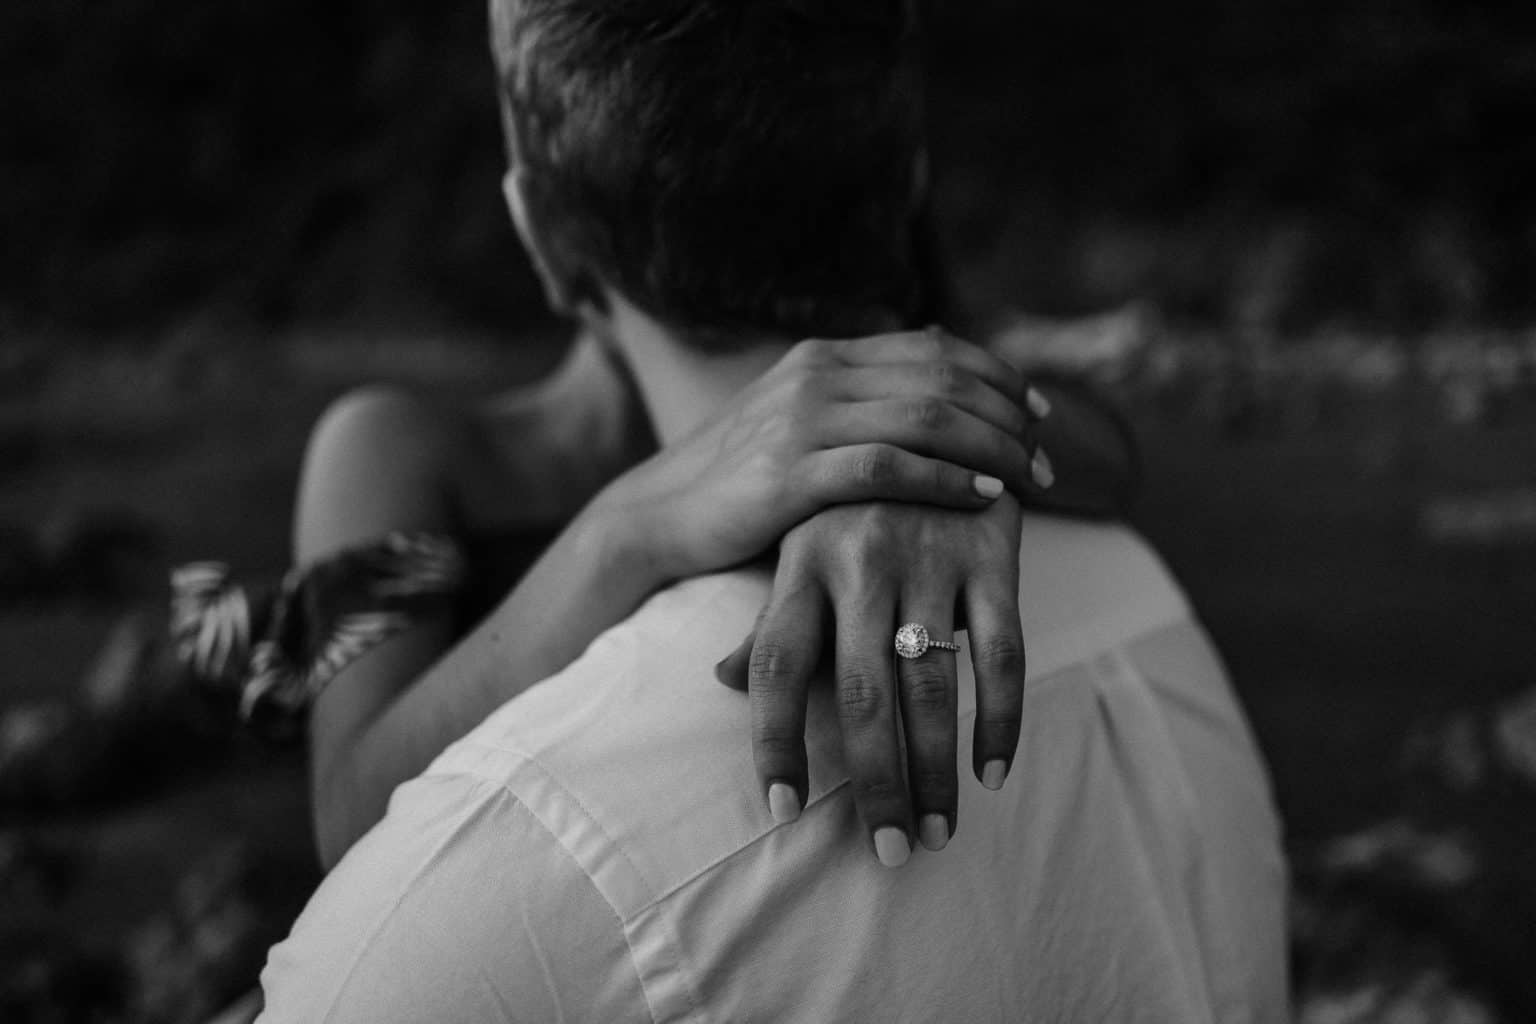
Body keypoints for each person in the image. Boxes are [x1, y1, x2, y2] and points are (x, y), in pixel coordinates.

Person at [254, 2, 1286, 1020]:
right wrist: (622, 533)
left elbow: (1096, 444)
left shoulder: (898, 405)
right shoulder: (403, 450)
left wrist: (899, 473)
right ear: (909, 179)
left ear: (539, 231)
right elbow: (353, 823)